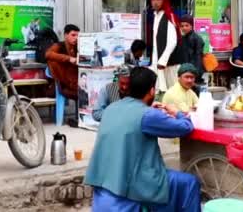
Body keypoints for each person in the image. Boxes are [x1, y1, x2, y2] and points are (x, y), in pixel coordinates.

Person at [84, 67, 200, 212]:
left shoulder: (110, 108)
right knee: (189, 182)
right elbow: (185, 127)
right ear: (152, 91)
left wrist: (151, 110)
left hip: (105, 179)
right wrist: (177, 113)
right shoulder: (148, 115)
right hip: (133, 182)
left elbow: (132, 118)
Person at [150, 0, 184, 93]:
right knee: (161, 93)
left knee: (174, 93)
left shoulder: (169, 16)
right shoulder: (156, 16)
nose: (155, 2)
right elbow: (156, 45)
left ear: (164, 0)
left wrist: (162, 61)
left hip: (170, 65)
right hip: (159, 65)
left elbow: (172, 41)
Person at [46, 24, 81, 126]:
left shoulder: (79, 47)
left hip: (76, 78)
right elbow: (48, 54)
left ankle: (80, 118)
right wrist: (69, 59)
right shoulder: (59, 46)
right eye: (73, 35)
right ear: (66, 35)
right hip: (64, 81)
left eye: (77, 36)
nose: (76, 38)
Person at [180, 15, 205, 84]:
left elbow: (198, 58)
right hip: (187, 73)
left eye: (186, 25)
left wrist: (195, 74)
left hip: (194, 75)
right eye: (182, 26)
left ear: (192, 26)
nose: (184, 28)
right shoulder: (184, 38)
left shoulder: (196, 39)